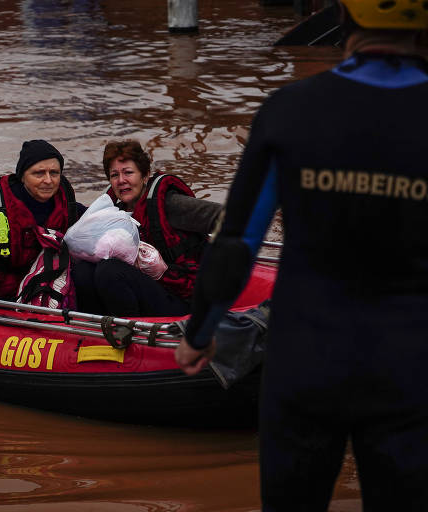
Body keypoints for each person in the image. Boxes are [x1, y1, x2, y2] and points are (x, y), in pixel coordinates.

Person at [175, 1, 428, 509]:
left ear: (345, 20)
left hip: (307, 360)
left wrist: (200, 333)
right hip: (411, 366)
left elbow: (238, 240)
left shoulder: (290, 111)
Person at [72, 139, 222, 317]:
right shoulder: (112, 213)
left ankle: (128, 332)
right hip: (141, 290)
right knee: (83, 271)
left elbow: (225, 217)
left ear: (145, 176)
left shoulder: (169, 204)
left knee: (109, 270)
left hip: (182, 297)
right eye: (114, 175)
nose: (121, 181)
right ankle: (95, 328)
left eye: (128, 173)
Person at [0, 140, 84, 303]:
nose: (48, 180)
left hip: (38, 294)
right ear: (22, 176)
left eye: (54, 173)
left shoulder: (69, 208)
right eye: (39, 173)